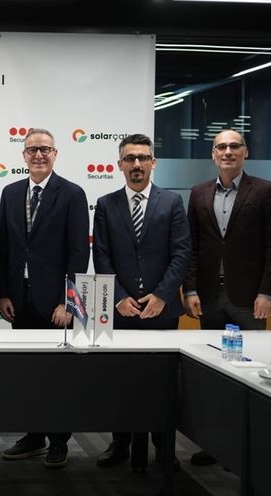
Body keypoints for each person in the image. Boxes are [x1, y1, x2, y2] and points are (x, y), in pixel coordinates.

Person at [182, 128, 271, 466]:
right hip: (209, 296)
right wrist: (191, 289)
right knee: (215, 371)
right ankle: (216, 445)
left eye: (234, 146)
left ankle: (248, 447)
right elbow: (192, 248)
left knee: (251, 373)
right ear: (213, 154)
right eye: (221, 147)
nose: (227, 152)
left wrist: (267, 291)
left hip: (249, 298)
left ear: (245, 152)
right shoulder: (198, 193)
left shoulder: (265, 190)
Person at [92, 133, 190, 467]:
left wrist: (162, 295)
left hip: (161, 311)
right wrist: (118, 298)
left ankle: (163, 447)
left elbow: (182, 254)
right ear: (119, 164)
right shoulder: (105, 204)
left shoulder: (172, 202)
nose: (137, 164)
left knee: (161, 384)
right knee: (121, 381)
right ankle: (120, 444)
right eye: (130, 158)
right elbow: (101, 255)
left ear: (153, 163)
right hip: (121, 312)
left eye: (143, 158)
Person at [0, 128, 89, 469]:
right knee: (28, 373)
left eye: (45, 149)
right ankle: (34, 436)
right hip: (19, 301)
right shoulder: (10, 192)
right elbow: (1, 246)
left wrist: (69, 302)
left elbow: (79, 253)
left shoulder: (73, 194)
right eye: (32, 149)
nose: (38, 155)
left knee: (57, 377)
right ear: (23, 156)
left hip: (55, 305)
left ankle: (59, 441)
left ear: (55, 154)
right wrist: (1, 293)